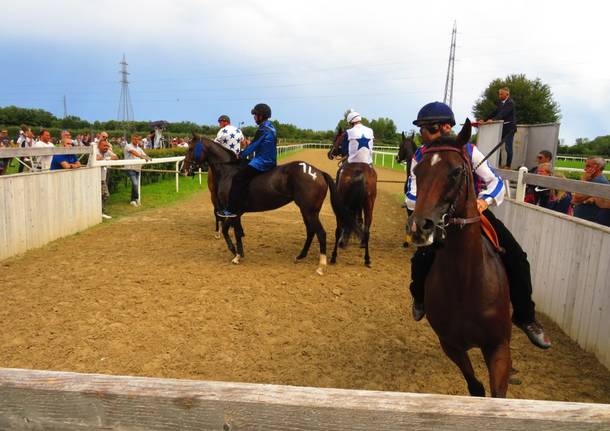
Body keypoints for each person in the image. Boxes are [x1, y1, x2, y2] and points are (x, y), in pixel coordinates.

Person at [406, 101, 551, 349]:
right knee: (420, 260)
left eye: (426, 128)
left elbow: (495, 182)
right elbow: (411, 192)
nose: (422, 133)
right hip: (437, 217)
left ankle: (526, 318)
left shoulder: (469, 151)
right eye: (421, 129)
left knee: (517, 258)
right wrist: (422, 208)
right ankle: (420, 299)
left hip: (473, 213)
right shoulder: (420, 156)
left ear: (446, 127)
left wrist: (483, 202)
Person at [217, 103, 277, 218]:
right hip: (270, 161)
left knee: (237, 178)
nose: (254, 117)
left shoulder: (263, 129)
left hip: (262, 162)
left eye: (255, 115)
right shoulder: (272, 127)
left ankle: (231, 209)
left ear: (261, 116)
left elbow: (253, 145)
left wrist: (241, 155)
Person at [481, 87, 516, 169]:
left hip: (510, 128)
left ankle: (508, 165)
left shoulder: (510, 103)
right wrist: (484, 119)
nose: (499, 95)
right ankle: (499, 164)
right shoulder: (501, 103)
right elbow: (495, 112)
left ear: (507, 94)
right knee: (498, 146)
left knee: (508, 147)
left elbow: (503, 114)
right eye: (499, 94)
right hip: (502, 128)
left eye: (501, 94)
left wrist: (492, 120)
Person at [572, 157, 609, 226]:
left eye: (588, 166)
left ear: (597, 167)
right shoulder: (592, 180)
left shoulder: (599, 181)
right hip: (585, 220)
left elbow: (576, 199)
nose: (584, 169)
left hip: (589, 222)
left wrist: (583, 180)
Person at [124, 134, 152, 207]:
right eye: (135, 139)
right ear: (132, 139)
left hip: (137, 168)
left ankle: (132, 200)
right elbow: (134, 153)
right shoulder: (128, 146)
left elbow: (145, 155)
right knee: (135, 184)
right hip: (130, 168)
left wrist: (149, 158)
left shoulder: (139, 148)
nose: (136, 141)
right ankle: (136, 198)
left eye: (138, 139)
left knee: (135, 185)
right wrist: (142, 157)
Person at [94, 138, 118, 219]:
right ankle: (99, 212)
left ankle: (101, 212)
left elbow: (116, 157)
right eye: (104, 146)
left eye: (107, 146)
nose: (106, 147)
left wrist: (106, 159)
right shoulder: (95, 151)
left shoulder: (107, 151)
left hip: (102, 178)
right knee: (103, 195)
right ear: (99, 146)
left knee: (105, 195)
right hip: (94, 178)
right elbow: (97, 158)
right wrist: (107, 159)